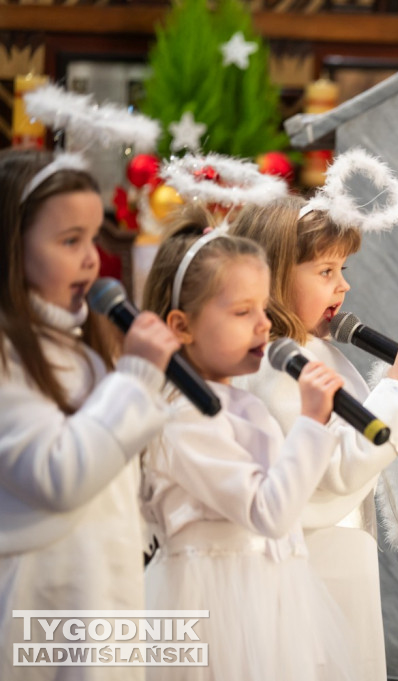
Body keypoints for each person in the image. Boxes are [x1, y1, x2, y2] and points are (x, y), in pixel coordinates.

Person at [139, 211, 357, 681]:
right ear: (181, 326)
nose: (264, 324)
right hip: (209, 606)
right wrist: (312, 422)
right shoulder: (180, 419)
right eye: (243, 312)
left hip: (269, 599)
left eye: (263, 307)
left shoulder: (245, 404)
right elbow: (269, 512)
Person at [231, 195, 398, 681]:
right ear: (270, 278)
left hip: (339, 554)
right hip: (311, 562)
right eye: (326, 271)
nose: (343, 284)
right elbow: (334, 469)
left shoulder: (311, 348)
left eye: (343, 269)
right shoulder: (278, 364)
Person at [0, 149, 178, 680]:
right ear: (11, 247)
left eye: (93, 238)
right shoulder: (7, 353)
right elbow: (58, 475)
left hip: (102, 592)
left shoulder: (82, 347)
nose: (91, 260)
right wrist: (136, 378)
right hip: (40, 599)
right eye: (69, 240)